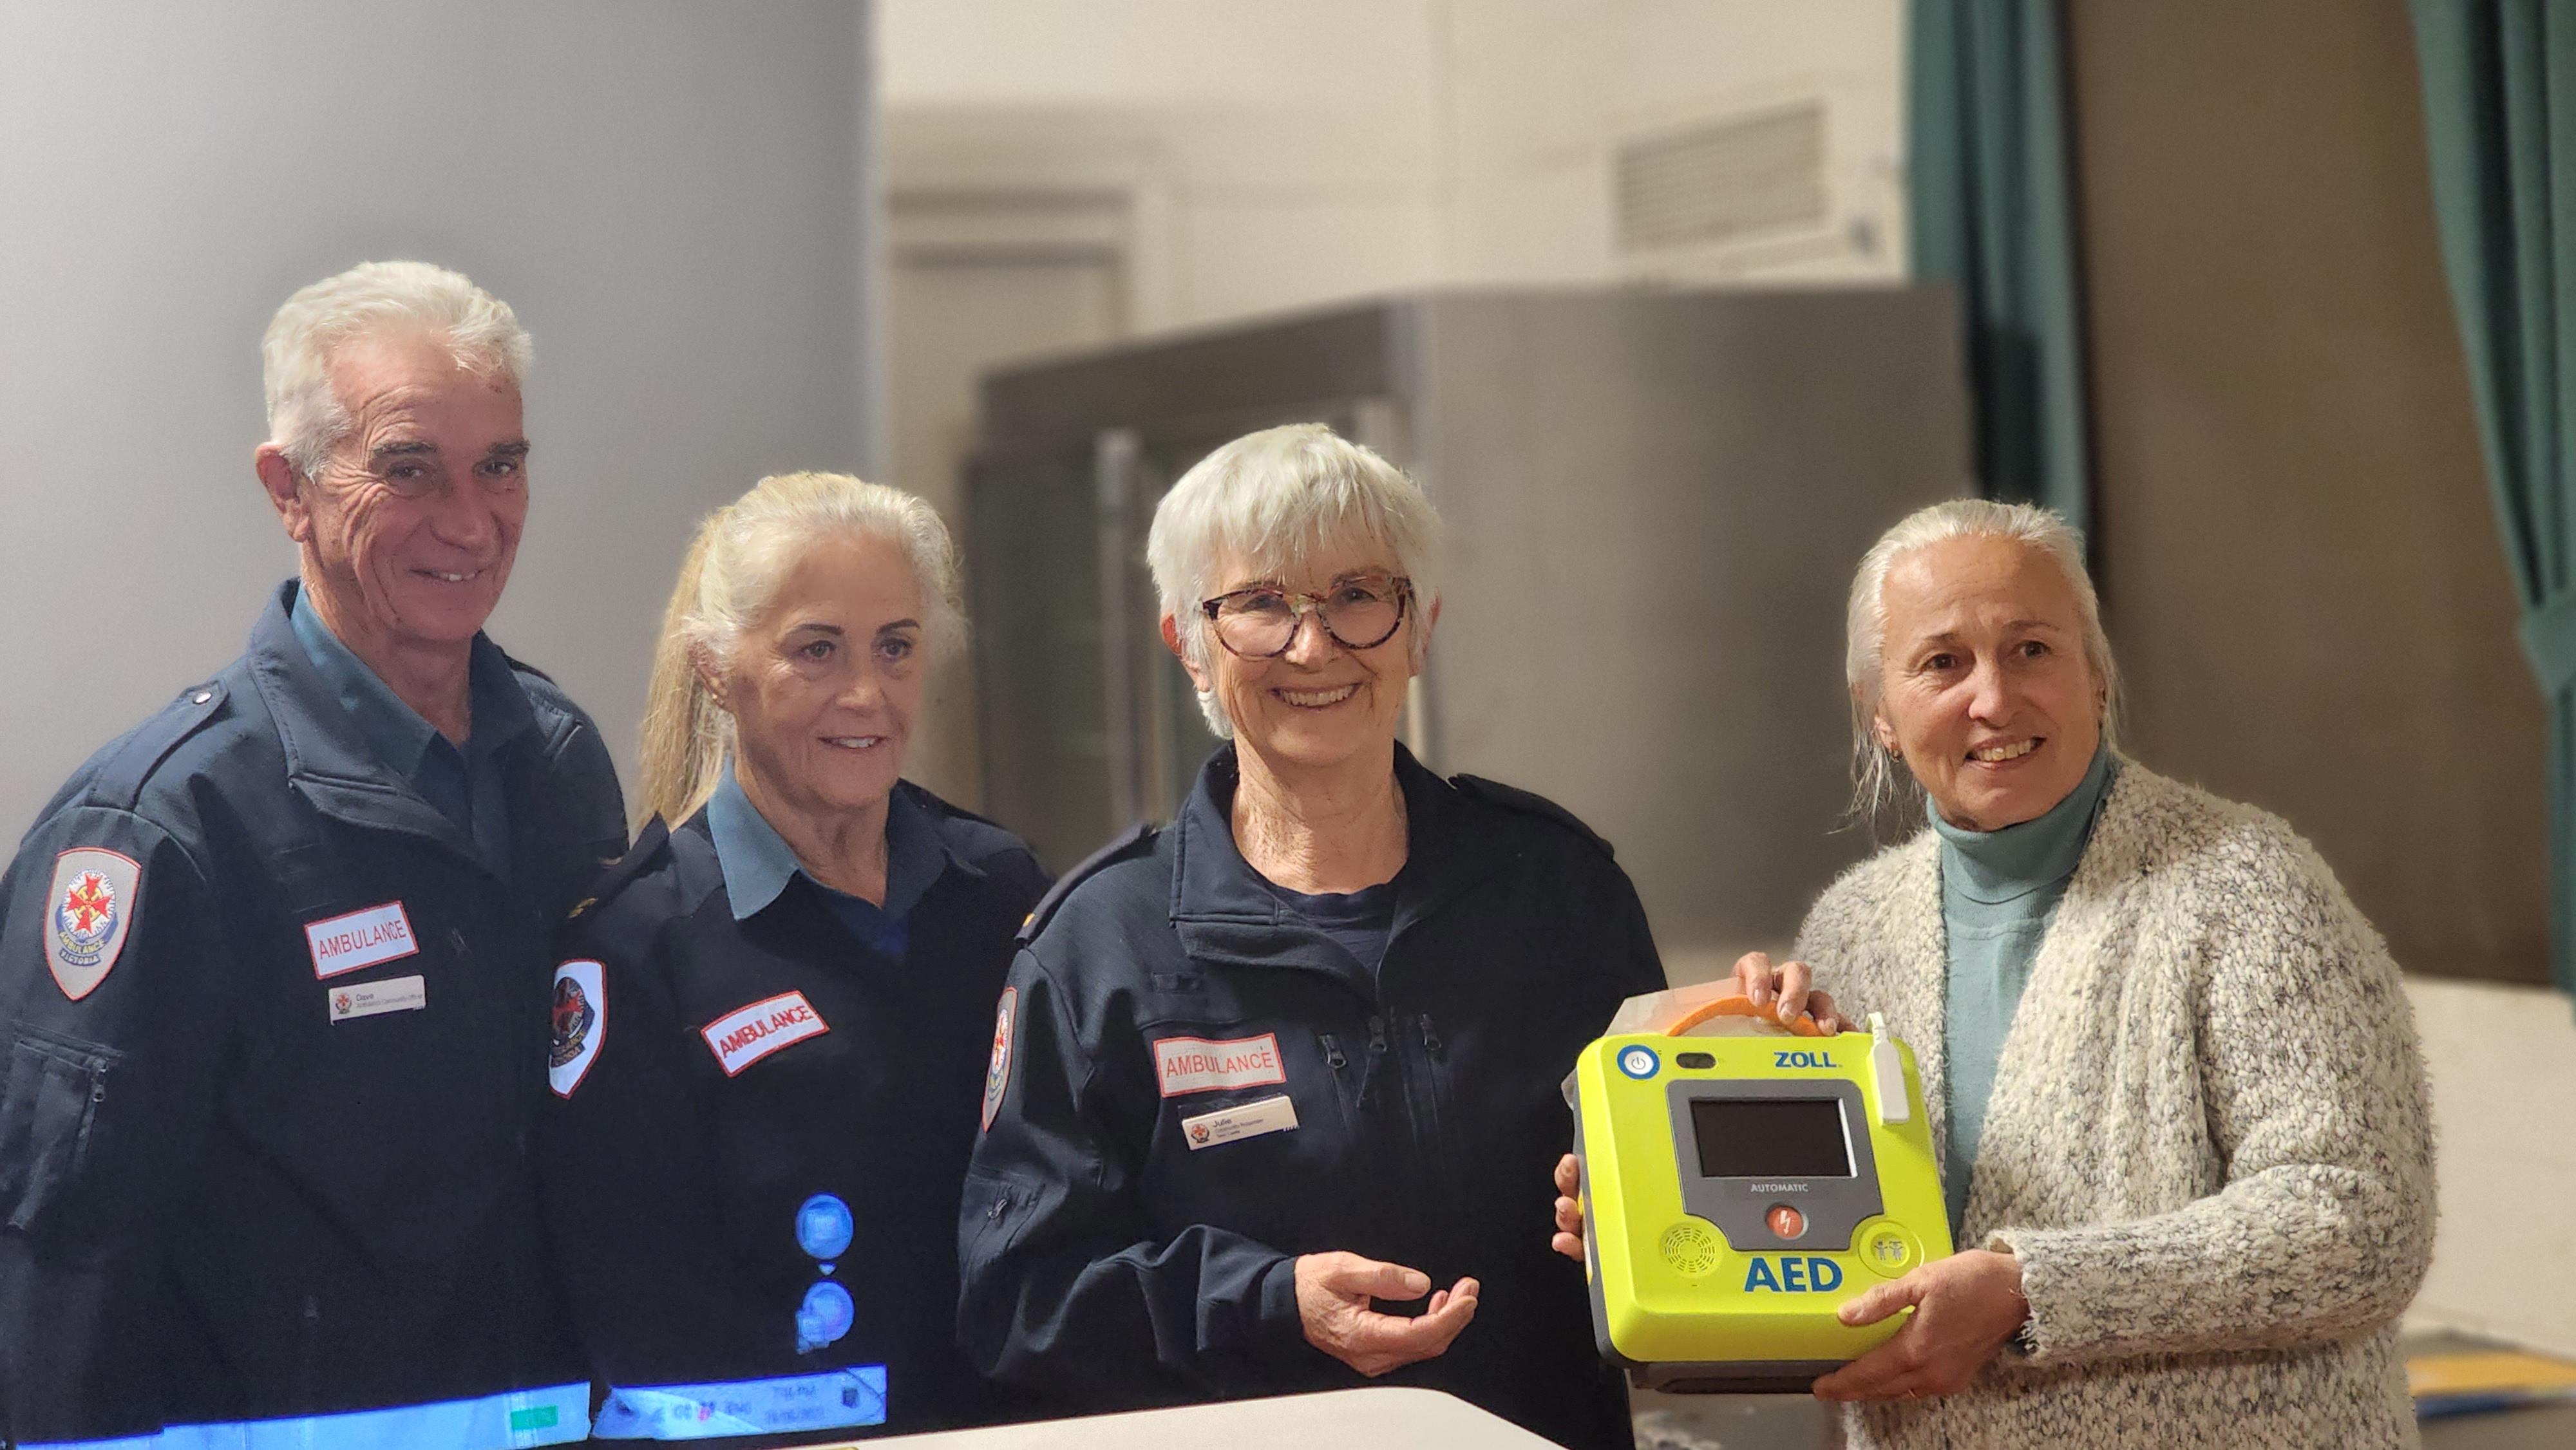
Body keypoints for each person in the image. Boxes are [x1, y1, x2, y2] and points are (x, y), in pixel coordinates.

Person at [1555, 497, 2436, 1447]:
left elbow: (2359, 1223)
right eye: (1942, 662)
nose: (1992, 699)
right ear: (1882, 715)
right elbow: (1834, 1255)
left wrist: (2029, 1290)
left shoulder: (2247, 887)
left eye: (2031, 650)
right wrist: (1651, 1206)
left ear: (2096, 677)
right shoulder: (1853, 925)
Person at [0, 261, 627, 1447]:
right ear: (289, 490)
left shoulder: (555, 759)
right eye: (408, 468)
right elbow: (59, 1280)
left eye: (502, 463)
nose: (471, 518)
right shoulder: (159, 830)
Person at [960, 423, 1664, 1450]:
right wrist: (1267, 1301)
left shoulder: (1560, 892)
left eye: (1357, 597)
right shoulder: (1097, 947)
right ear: (1187, 644)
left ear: (1420, 628)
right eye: (1260, 604)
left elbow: (1676, 1219)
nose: (1313, 646)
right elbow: (1018, 1300)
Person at [540, 472, 1048, 1443]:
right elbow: (637, 1319)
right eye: (817, 650)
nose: (866, 694)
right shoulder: (632, 947)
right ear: (716, 668)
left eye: (895, 648)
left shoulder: (1000, 892)